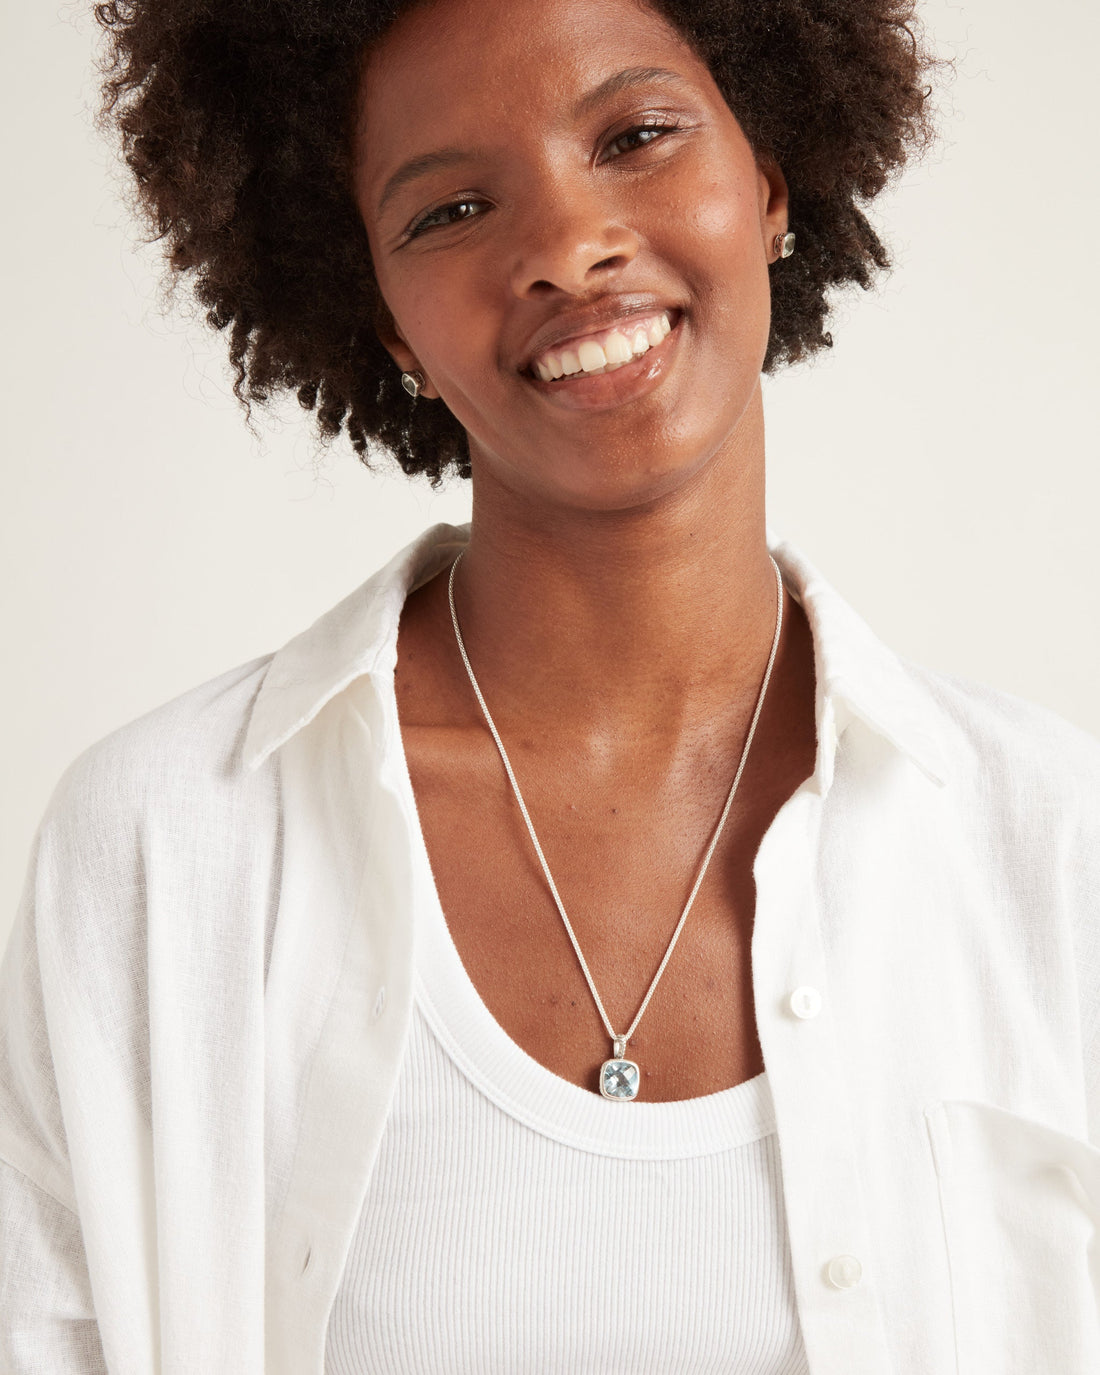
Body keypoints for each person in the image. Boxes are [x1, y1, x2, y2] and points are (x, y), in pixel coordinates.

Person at [1, 0, 1098, 1371]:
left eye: (635, 135)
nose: (569, 249)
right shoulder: (165, 854)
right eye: (451, 210)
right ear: (381, 317)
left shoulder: (1054, 847)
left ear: (768, 181)